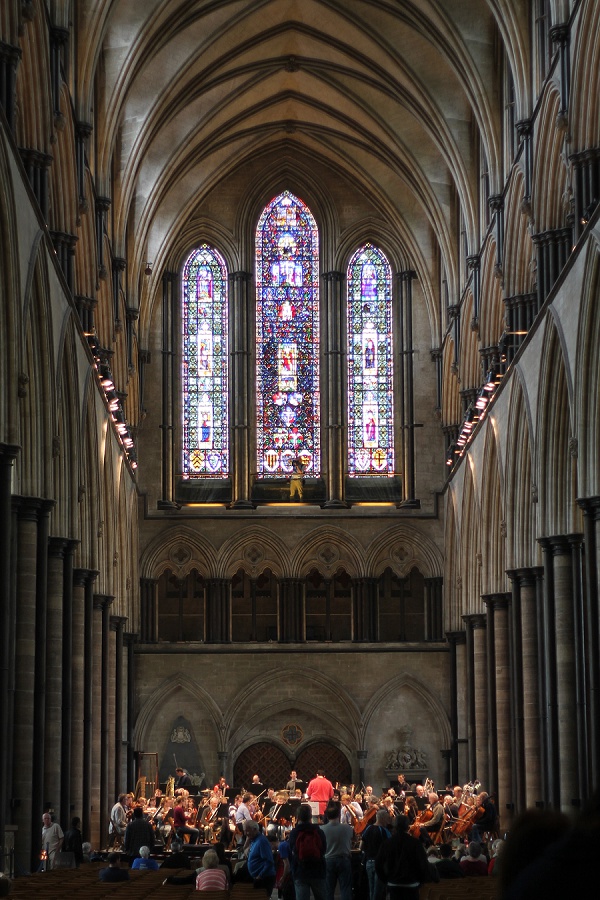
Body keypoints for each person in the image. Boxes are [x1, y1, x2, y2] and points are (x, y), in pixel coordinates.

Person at [375, 813, 439, 900]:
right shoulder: (415, 843)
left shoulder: (387, 843)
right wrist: (420, 881)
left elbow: (378, 864)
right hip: (411, 884)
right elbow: (423, 864)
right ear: (408, 827)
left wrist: (386, 880)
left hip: (393, 884)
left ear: (394, 827)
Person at [289, 803, 327, 900]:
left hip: (300, 870)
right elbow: (323, 849)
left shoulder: (294, 832)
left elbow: (292, 850)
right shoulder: (318, 831)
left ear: (298, 817)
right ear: (311, 816)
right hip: (318, 869)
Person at [322, 802, 353, 900]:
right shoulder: (347, 828)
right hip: (344, 860)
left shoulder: (322, 829)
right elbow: (352, 839)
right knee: (345, 888)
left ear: (327, 816)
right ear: (339, 815)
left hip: (328, 860)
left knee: (329, 890)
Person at [360, 809, 391, 900]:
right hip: (380, 864)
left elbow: (361, 845)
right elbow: (390, 846)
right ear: (383, 819)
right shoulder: (384, 831)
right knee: (378, 891)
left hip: (369, 862)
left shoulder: (368, 828)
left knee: (371, 888)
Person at [243, 819, 276, 895]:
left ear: (255, 829)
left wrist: (260, 876)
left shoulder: (261, 841)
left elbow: (269, 861)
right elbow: (244, 850)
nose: (245, 834)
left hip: (264, 878)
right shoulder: (254, 840)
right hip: (260, 877)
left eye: (247, 831)